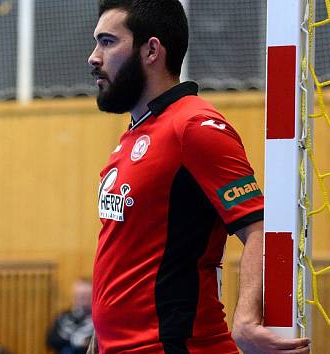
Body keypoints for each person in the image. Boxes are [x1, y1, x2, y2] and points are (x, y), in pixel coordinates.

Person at [87, 1, 311, 353]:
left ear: (151, 50)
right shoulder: (135, 134)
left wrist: (247, 319)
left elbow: (260, 227)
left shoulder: (195, 127)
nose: (94, 57)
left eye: (108, 42)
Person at [46, 278, 94, 354]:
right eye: (78, 295)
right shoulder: (63, 317)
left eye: (85, 295)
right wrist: (76, 340)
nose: (81, 299)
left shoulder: (98, 321)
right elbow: (51, 341)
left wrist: (67, 338)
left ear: (93, 296)